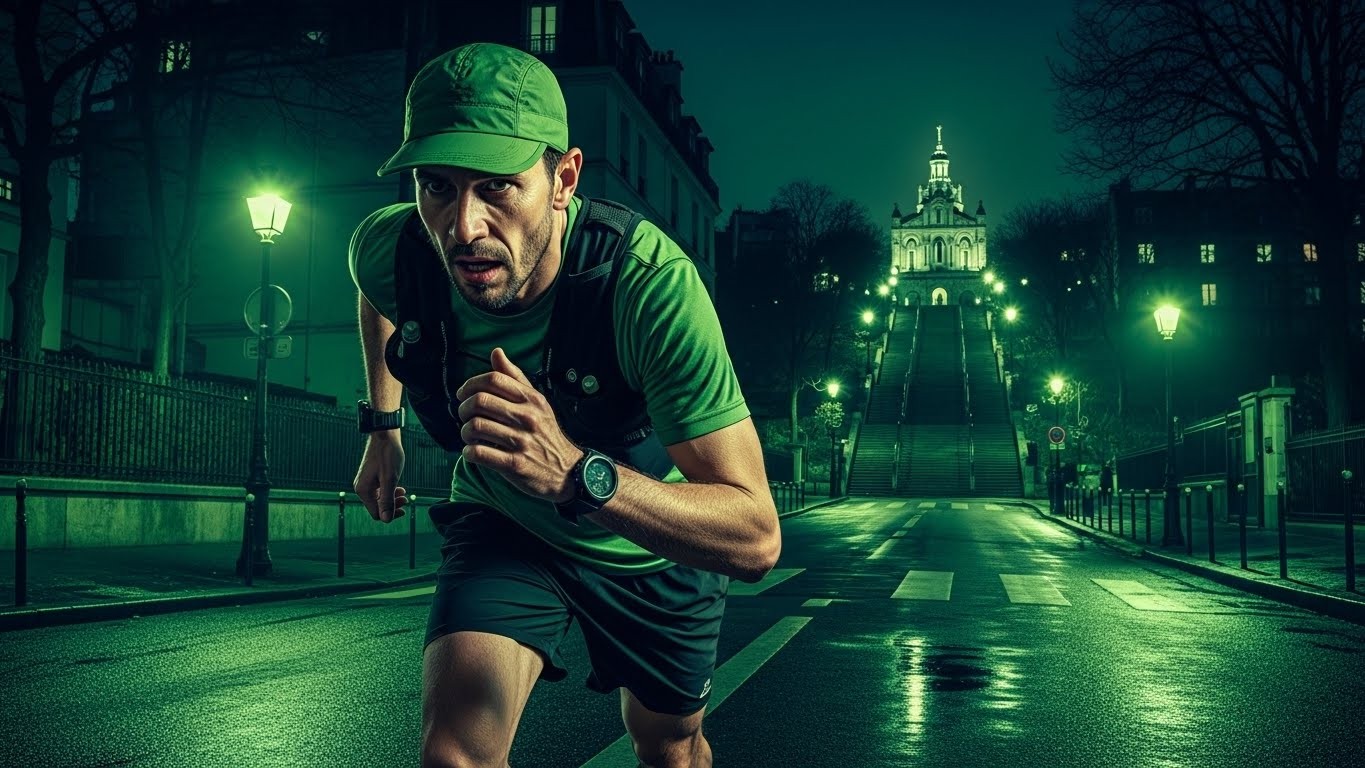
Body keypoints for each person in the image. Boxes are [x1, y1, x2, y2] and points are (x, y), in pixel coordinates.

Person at [348, 42, 779, 768]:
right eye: (438, 187)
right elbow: (374, 289)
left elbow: (755, 536)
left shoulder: (648, 286)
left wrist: (578, 475)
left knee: (668, 747)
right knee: (455, 754)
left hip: (651, 549)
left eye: (497, 188)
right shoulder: (397, 248)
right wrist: (382, 426)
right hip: (506, 524)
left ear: (562, 178)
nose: (463, 227)